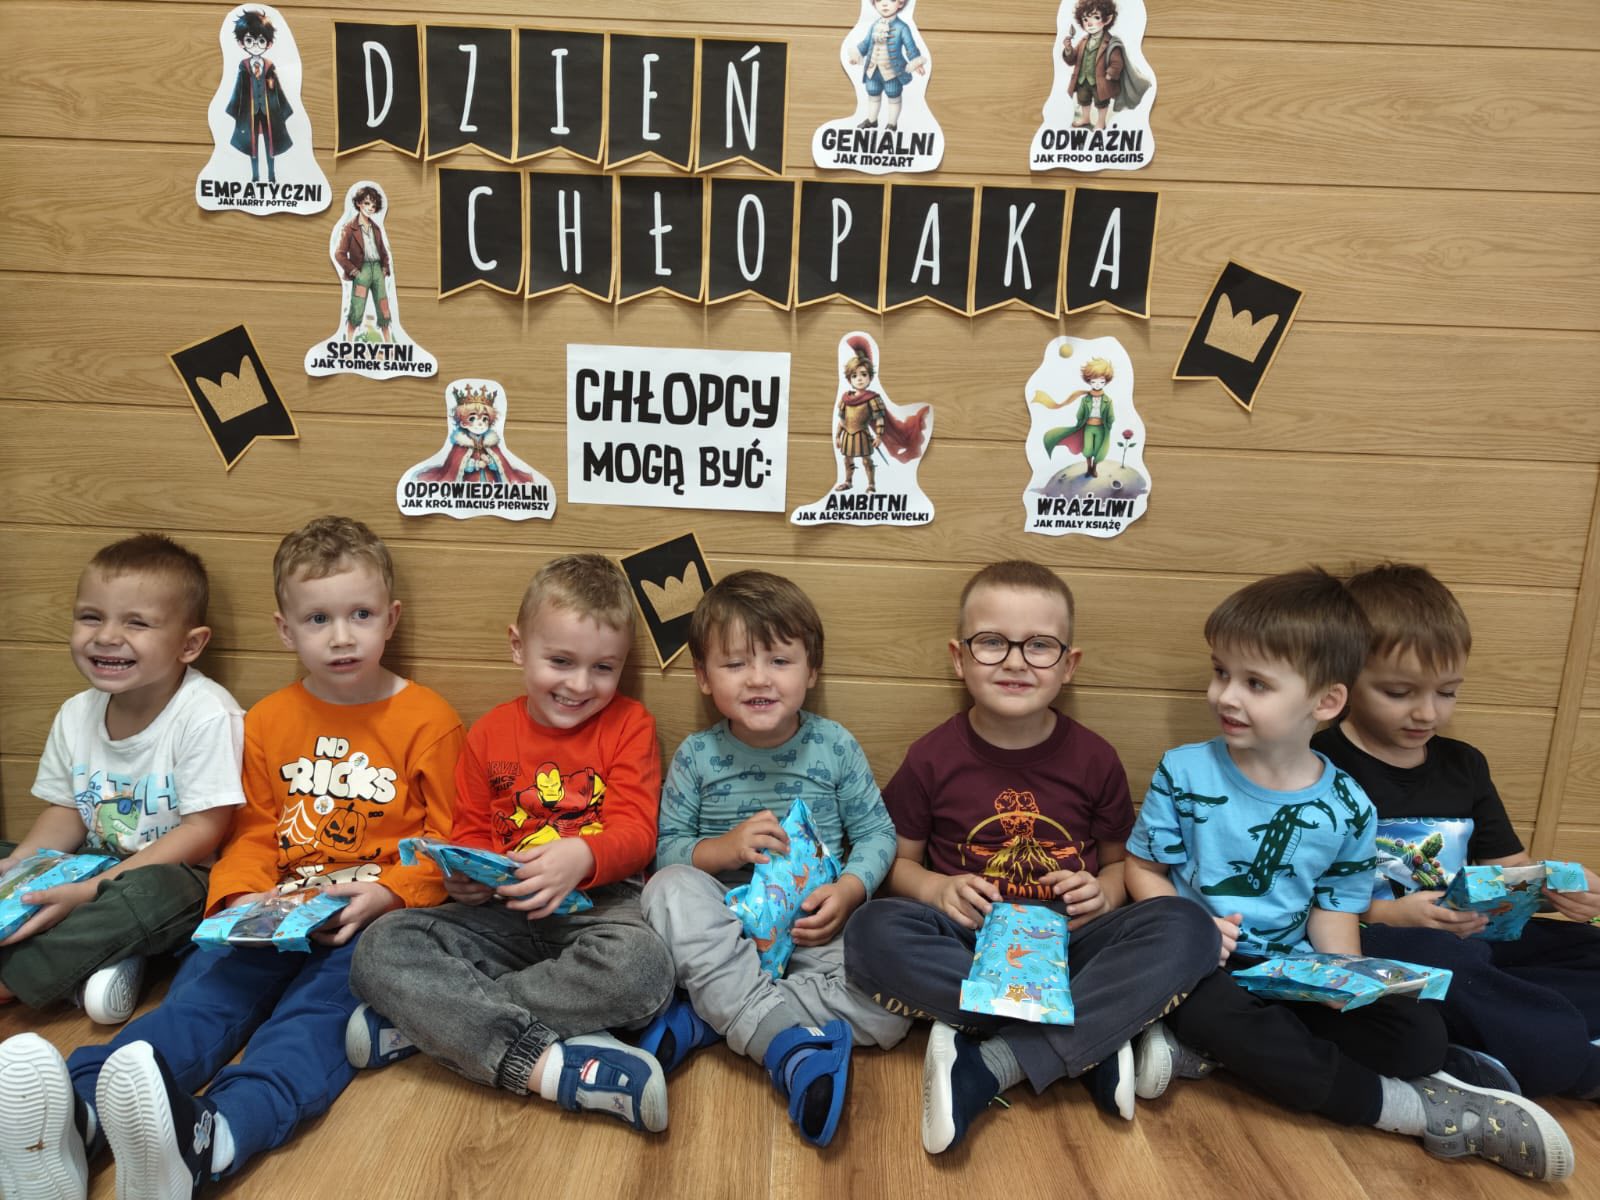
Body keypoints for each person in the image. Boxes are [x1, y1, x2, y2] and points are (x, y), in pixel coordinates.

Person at [0, 515, 463, 1200]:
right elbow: (250, 831)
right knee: (201, 999)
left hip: (366, 923)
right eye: (318, 619)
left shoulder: (430, 721)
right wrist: (242, 895)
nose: (341, 637)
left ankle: (214, 1137)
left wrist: (391, 893)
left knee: (310, 1027)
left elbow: (448, 842)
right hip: (269, 911)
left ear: (389, 619)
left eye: (360, 615)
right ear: (285, 629)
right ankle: (78, 1113)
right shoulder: (269, 720)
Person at [1124, 568, 1573, 1183]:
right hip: (1199, 967)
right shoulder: (1184, 772)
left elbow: (1336, 908)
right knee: (1209, 1013)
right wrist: (1191, 927)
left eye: (1255, 683)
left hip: (1287, 970)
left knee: (1418, 1038)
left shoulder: (1349, 805)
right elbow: (1143, 867)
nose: (1225, 696)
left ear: (1325, 702)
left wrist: (1349, 980)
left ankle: (1221, 1054)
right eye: (1221, 672)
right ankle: (1400, 1108)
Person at [843, 560, 1221, 1153]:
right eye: (992, 642)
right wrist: (936, 889)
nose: (1016, 661)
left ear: (1069, 665)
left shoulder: (1095, 758)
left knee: (1189, 926)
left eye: (1039, 645)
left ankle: (994, 1061)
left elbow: (1120, 865)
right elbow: (898, 866)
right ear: (959, 657)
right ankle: (1095, 1037)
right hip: (970, 944)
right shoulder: (931, 757)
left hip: (1074, 946)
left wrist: (1105, 892)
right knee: (870, 930)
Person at [348, 555, 676, 1134]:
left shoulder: (631, 725)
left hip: (598, 911)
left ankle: (434, 1023)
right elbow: (472, 833)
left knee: (644, 969)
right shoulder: (490, 733)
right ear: (519, 647)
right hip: (500, 916)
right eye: (561, 661)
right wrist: (464, 879)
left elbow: (636, 834)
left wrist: (584, 855)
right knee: (380, 947)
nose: (580, 684)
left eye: (604, 668)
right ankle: (551, 1062)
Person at [639, 571, 909, 1147]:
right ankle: (788, 1047)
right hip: (726, 928)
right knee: (667, 891)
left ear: (811, 671)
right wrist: (724, 848)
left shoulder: (834, 746)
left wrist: (849, 891)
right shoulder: (697, 755)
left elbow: (877, 835)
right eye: (736, 663)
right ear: (703, 677)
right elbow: (667, 853)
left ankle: (713, 1016)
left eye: (780, 661)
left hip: (815, 929)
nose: (759, 678)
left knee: (893, 1013)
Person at [1313, 562, 1600, 1101]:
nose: (1427, 713)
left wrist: (1558, 886)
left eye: (1447, 692)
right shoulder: (1317, 765)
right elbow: (1300, 898)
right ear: (1342, 681)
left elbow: (1506, 871)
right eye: (1399, 692)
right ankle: (1565, 1054)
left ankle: (1499, 1034)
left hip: (1475, 939)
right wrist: (1391, 914)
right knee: (1446, 963)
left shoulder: (1464, 764)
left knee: (1586, 949)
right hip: (1380, 938)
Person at [0, 534, 244, 1026]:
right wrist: (21, 865)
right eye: (91, 617)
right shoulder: (76, 713)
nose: (107, 636)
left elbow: (204, 831)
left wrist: (95, 889)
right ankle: (101, 965)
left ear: (190, 644)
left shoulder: (207, 714)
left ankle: (15, 978)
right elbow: (67, 810)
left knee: (146, 898)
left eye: (137, 622)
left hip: (174, 879)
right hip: (89, 864)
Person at [225, 8, 293, 184]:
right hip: (251, 113)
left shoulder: (269, 66)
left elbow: (277, 89)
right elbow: (239, 89)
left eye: (261, 40)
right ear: (241, 43)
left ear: (268, 44)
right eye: (249, 40)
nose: (255, 45)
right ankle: (255, 175)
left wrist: (284, 109)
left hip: (269, 112)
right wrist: (234, 109)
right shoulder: (244, 67)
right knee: (252, 145)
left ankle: (271, 175)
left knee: (271, 145)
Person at [847, 0, 926, 133]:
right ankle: (872, 120)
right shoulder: (874, 25)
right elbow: (866, 43)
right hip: (872, 70)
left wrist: (916, 62)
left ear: (900, 3)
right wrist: (857, 55)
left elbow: (910, 46)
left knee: (893, 94)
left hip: (892, 72)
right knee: (873, 92)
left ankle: (892, 124)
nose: (884, 4)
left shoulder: (902, 27)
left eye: (891, 0)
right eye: (879, 0)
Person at [336, 185, 394, 344]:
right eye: (367, 203)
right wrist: (354, 271)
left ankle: (389, 343)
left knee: (383, 306)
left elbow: (383, 252)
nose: (370, 208)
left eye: (373, 205)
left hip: (378, 270)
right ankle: (348, 343)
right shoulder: (349, 228)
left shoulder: (376, 228)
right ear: (359, 203)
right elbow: (339, 254)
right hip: (362, 271)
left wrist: (384, 268)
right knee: (357, 306)